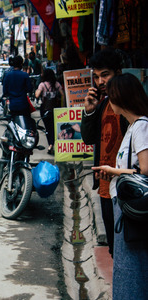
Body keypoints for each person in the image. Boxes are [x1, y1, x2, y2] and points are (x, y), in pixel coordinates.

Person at [90, 73, 148, 300]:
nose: (109, 102)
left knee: (132, 266)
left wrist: (115, 172)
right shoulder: (134, 126)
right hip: (124, 208)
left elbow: (145, 169)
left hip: (132, 210)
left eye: (110, 97)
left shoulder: (142, 126)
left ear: (121, 98)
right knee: (126, 265)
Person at [80, 48, 128, 257]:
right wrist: (89, 111)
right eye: (96, 76)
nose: (100, 81)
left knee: (127, 249)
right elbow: (89, 139)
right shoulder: (102, 104)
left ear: (118, 72)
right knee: (113, 249)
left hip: (126, 188)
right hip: (106, 187)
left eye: (105, 75)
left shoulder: (130, 105)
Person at [35, 68, 64, 154]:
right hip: (55, 109)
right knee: (54, 127)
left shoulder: (42, 85)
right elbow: (62, 95)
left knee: (48, 128)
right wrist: (62, 106)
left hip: (45, 109)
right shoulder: (57, 84)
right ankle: (52, 144)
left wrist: (37, 89)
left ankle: (50, 144)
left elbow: (37, 95)